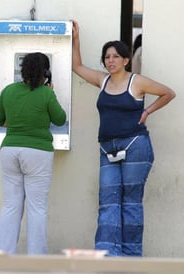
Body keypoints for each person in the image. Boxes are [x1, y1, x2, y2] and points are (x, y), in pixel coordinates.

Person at [71, 20, 175, 256]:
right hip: (107, 149)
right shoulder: (102, 80)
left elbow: (168, 93)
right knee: (108, 202)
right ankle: (108, 256)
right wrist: (76, 39)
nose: (110, 60)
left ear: (126, 60)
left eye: (116, 56)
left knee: (130, 204)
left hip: (135, 146)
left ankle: (131, 257)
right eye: (107, 56)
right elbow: (76, 66)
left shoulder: (136, 81)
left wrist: (147, 111)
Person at [0, 52, 67, 254]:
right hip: (38, 152)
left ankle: (3, 256)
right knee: (37, 208)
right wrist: (51, 92)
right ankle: (36, 259)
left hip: (10, 150)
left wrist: (16, 124)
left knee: (10, 206)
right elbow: (60, 119)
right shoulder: (46, 93)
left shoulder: (8, 90)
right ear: (46, 72)